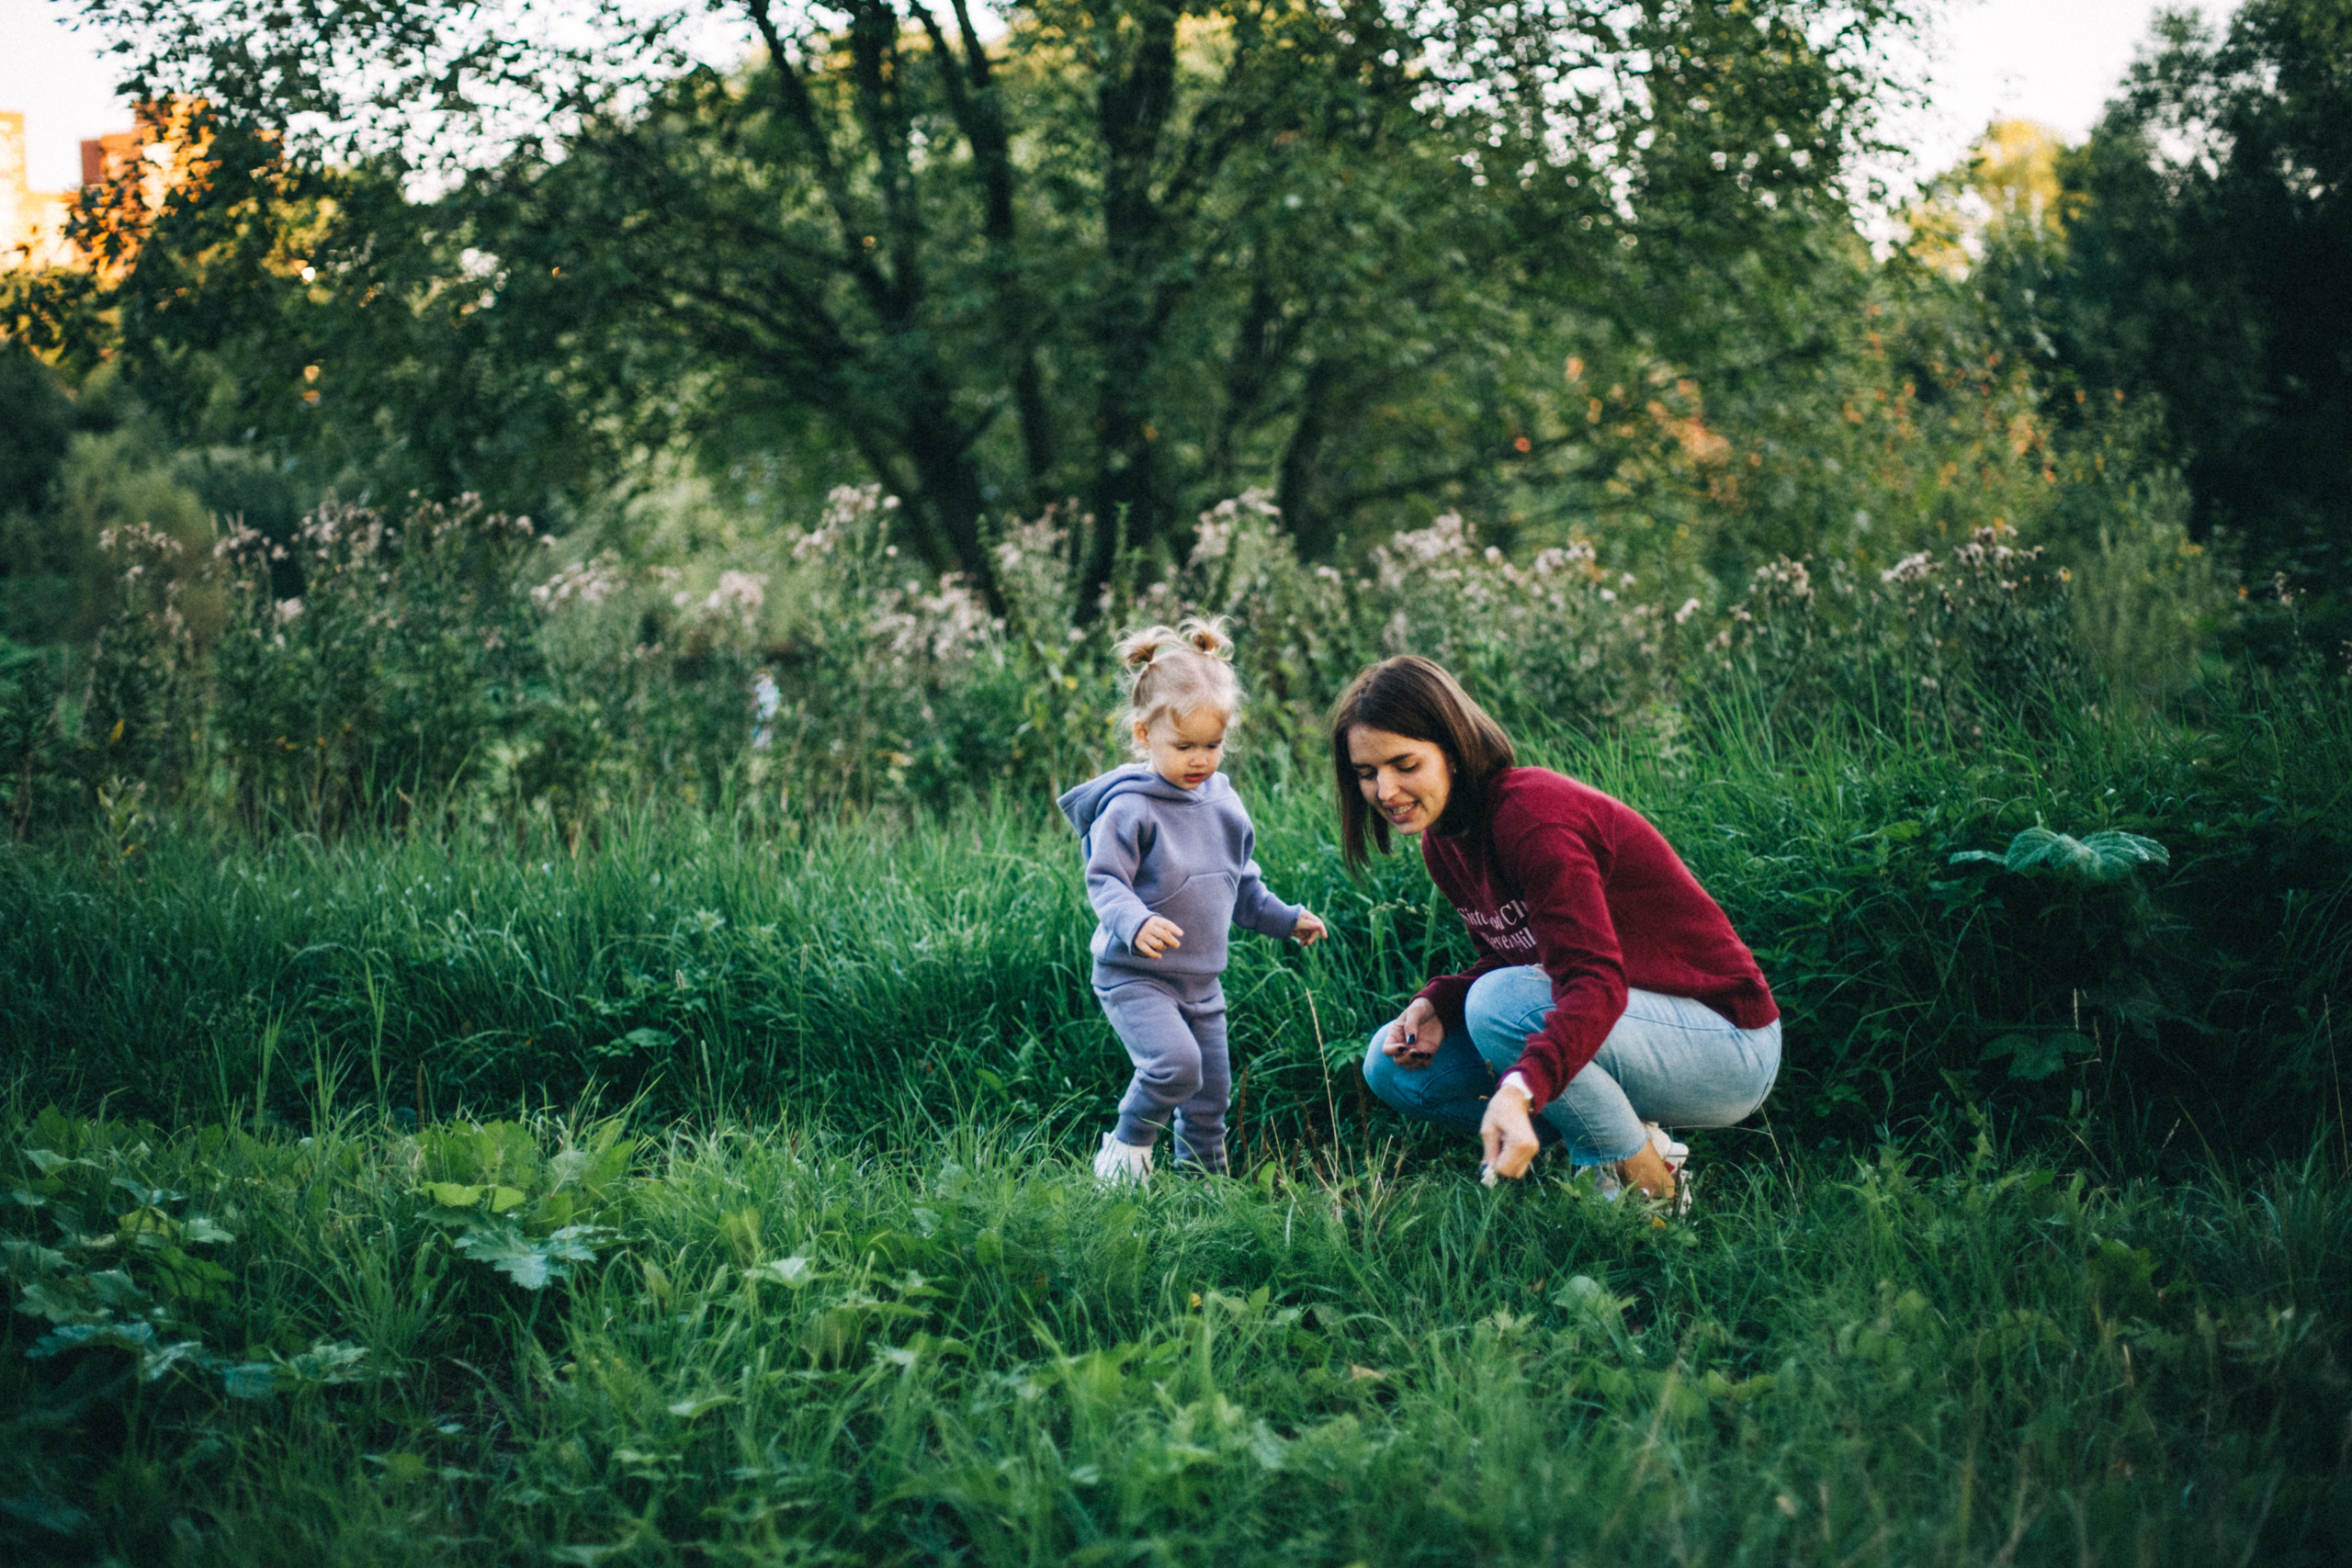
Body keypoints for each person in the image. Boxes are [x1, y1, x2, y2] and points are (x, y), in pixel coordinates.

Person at [1335, 656, 1779, 1202]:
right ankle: (1615, 1137)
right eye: (1366, 773)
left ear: (1450, 749)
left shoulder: (1532, 816)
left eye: (1404, 764)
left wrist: (1520, 1090)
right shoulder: (1443, 842)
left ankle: (1651, 1192)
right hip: (1628, 1030)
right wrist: (1438, 1005)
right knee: (1389, 1065)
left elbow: (1594, 980)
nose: (1385, 790)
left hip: (1726, 1045)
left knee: (1497, 1005)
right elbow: (1514, 960)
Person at [1059, 619, 1328, 1182]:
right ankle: (1124, 1155)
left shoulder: (1224, 804)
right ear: (1143, 734)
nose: (1200, 759)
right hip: (1136, 974)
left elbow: (1242, 887)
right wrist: (1134, 922)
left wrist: (1285, 920)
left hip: (1202, 981)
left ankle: (1204, 1183)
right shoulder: (1129, 808)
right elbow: (1105, 881)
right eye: (1184, 746)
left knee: (1210, 1090)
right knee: (1174, 1067)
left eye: (1212, 744)